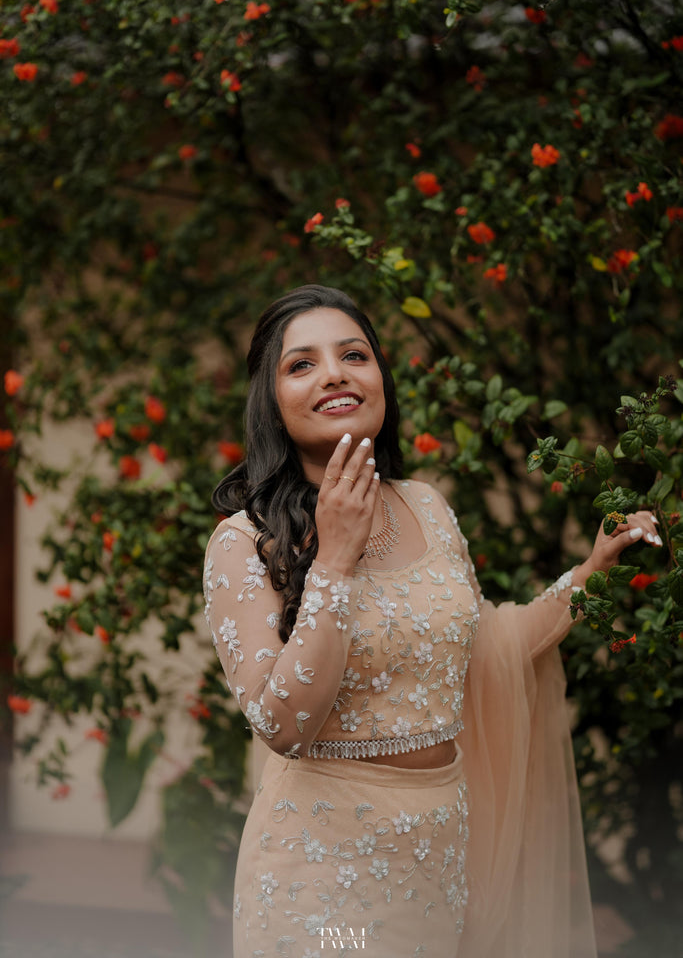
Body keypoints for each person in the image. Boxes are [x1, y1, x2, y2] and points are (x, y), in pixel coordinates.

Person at [203, 285, 660, 958]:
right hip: (323, 875)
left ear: (379, 377)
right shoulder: (244, 542)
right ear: (269, 401)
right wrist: (334, 555)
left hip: (438, 856)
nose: (333, 373)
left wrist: (593, 570)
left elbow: (488, 645)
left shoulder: (426, 505)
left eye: (353, 354)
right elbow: (281, 724)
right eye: (301, 364)